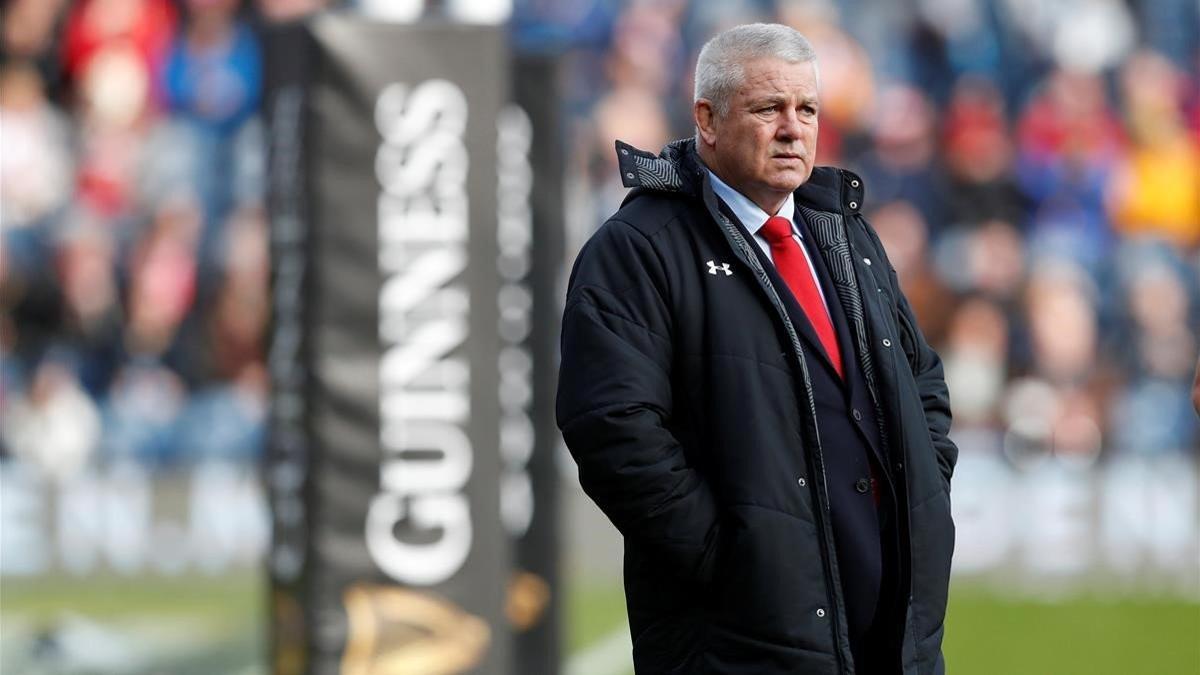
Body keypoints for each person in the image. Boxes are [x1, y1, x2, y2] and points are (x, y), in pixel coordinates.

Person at [557, 23, 957, 674]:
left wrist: (922, 500)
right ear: (706, 120)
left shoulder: (847, 236)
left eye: (807, 109)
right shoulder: (640, 247)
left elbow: (922, 383)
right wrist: (727, 554)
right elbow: (610, 426)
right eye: (769, 107)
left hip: (888, 637)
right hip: (738, 642)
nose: (793, 128)